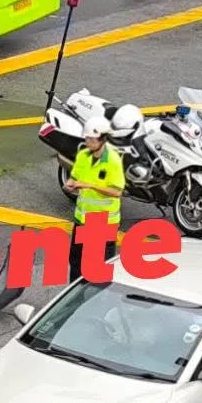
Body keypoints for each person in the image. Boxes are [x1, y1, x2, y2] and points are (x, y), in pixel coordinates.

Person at [65, 116, 125, 283]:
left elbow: (117, 191)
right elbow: (74, 177)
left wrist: (89, 185)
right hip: (82, 220)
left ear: (103, 139)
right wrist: (69, 184)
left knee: (99, 270)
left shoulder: (113, 160)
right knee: (76, 263)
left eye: (91, 139)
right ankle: (74, 296)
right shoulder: (83, 156)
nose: (87, 142)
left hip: (103, 223)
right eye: (86, 138)